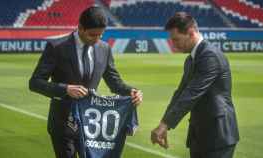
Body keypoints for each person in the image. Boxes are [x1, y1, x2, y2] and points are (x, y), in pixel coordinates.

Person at [29, 6, 143, 158]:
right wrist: (65, 89)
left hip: (91, 126)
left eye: (100, 35)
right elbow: (35, 82)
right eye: (92, 35)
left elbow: (115, 83)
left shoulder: (104, 49)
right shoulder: (57, 47)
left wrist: (132, 92)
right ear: (80, 28)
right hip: (63, 123)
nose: (96, 39)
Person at [151, 12, 239, 158]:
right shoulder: (191, 59)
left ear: (191, 33)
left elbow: (191, 94)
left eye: (176, 39)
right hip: (200, 135)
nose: (173, 45)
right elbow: (180, 93)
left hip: (218, 135)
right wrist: (164, 123)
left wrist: (165, 125)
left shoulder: (210, 56)